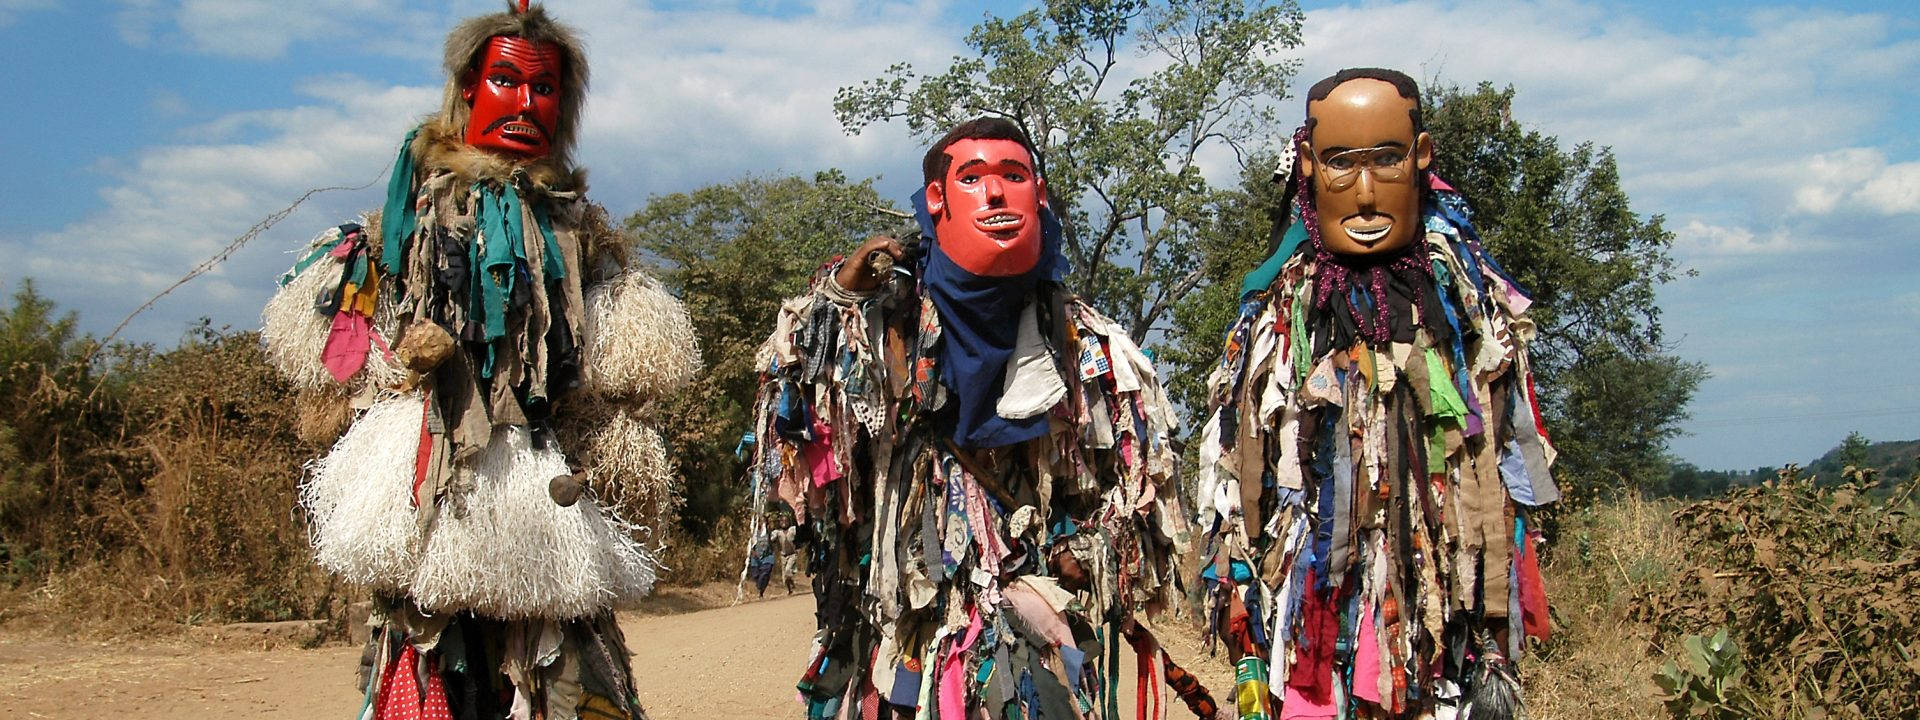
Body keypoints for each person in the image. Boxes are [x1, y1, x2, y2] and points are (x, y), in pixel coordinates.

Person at [261, 3, 699, 718]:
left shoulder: (582, 238)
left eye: (546, 89)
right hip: (434, 498)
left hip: (544, 502)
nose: (526, 103)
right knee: (433, 666)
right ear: (467, 88)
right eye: (506, 80)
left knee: (568, 672)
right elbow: (338, 369)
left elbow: (603, 380)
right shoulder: (400, 230)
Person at [743, 117, 1208, 719]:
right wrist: (838, 299)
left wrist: (1086, 546)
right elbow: (799, 424)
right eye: (972, 178)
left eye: (1013, 176)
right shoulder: (886, 322)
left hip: (1034, 601)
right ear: (937, 202)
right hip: (909, 612)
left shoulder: (1079, 339)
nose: (994, 194)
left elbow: (1126, 485)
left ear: (1038, 197)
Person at [1194, 68, 1557, 719]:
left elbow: (1502, 465)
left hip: (1438, 616)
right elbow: (1240, 473)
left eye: (1387, 159)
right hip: (1315, 615)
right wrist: (1241, 587)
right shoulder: (1280, 315)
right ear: (1307, 164)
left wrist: (1488, 614)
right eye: (1339, 163)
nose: (1364, 194)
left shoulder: (1463, 305)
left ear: (1422, 158)